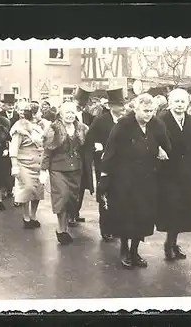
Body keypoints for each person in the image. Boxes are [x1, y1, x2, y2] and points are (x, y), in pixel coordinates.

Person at [98, 93, 172, 269]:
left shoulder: (156, 124)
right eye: (145, 110)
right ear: (136, 109)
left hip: (147, 178)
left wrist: (161, 149)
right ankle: (124, 249)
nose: (148, 114)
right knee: (126, 215)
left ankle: (135, 251)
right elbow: (110, 150)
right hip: (124, 179)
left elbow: (167, 145)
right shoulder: (123, 125)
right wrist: (105, 176)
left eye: (152, 111)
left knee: (143, 216)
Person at [156, 89, 191, 260]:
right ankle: (169, 243)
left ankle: (173, 242)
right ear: (170, 103)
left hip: (187, 172)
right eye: (176, 101)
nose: (180, 105)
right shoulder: (161, 120)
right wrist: (158, 149)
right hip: (167, 172)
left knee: (183, 209)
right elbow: (152, 139)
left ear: (188, 103)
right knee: (172, 207)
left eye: (182, 102)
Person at [41, 102, 89, 244]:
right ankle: (61, 230)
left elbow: (87, 146)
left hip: (76, 169)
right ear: (61, 114)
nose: (70, 115)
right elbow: (47, 150)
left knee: (71, 200)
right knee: (62, 197)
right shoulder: (53, 129)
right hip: (58, 168)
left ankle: (65, 227)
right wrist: (43, 169)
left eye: (72, 112)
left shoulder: (82, 128)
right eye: (67, 112)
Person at [85, 88, 127, 242]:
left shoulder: (126, 120)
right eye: (119, 105)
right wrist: (97, 145)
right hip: (104, 164)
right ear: (110, 106)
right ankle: (106, 229)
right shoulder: (101, 120)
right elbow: (89, 139)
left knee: (120, 195)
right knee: (104, 195)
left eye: (123, 104)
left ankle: (117, 227)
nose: (123, 107)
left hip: (122, 165)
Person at [10, 102, 50, 229]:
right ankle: (26, 216)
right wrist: (14, 166)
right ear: (33, 114)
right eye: (39, 112)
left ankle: (33, 216)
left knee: (37, 191)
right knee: (27, 189)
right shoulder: (20, 128)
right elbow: (14, 148)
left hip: (38, 164)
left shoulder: (42, 127)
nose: (41, 114)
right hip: (24, 165)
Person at [71, 86, 95, 225]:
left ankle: (76, 212)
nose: (82, 105)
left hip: (84, 154)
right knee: (72, 185)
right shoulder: (67, 115)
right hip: (72, 153)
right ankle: (70, 214)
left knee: (81, 185)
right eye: (80, 102)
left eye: (84, 102)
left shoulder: (88, 116)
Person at [0, 93, 20, 199]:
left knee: (13, 166)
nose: (11, 107)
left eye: (12, 105)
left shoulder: (17, 116)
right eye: (9, 105)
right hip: (3, 144)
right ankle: (4, 188)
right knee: (4, 167)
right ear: (4, 106)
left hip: (15, 144)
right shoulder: (0, 115)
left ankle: (10, 188)